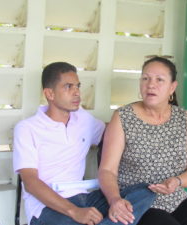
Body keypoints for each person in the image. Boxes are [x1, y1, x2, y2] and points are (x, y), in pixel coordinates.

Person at [13, 62, 155, 225]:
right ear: (49, 94)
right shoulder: (27, 128)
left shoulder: (83, 119)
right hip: (47, 206)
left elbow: (113, 132)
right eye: (68, 87)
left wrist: (148, 123)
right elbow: (31, 183)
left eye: (78, 86)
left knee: (145, 191)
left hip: (85, 198)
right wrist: (75, 212)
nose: (77, 93)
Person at [98, 56, 187, 225]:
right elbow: (107, 170)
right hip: (138, 202)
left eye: (159, 80)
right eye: (145, 78)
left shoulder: (186, 119)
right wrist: (115, 200)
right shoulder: (123, 117)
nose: (150, 85)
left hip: (175, 200)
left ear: (172, 87)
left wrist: (177, 181)